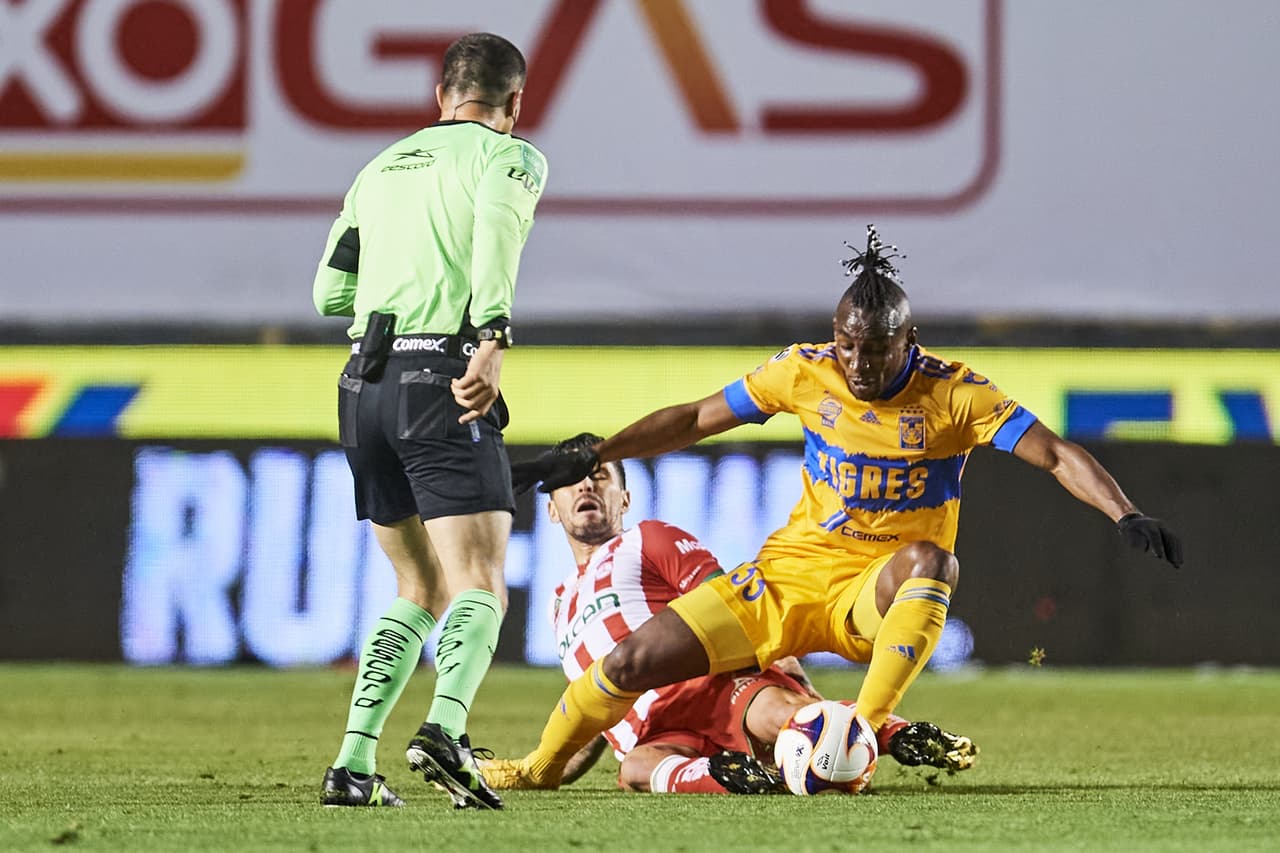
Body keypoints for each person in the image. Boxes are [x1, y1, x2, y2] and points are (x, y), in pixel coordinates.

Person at [488, 226, 1184, 790]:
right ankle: (535, 771)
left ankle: (860, 730)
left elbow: (1055, 453)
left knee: (932, 561)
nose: (858, 362)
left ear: (909, 341)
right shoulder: (803, 370)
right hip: (786, 578)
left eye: (876, 350)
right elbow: (697, 417)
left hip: (872, 590)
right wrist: (600, 450)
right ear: (835, 333)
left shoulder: (957, 395)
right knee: (631, 662)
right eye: (848, 345)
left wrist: (1123, 512)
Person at [311, 32, 547, 810]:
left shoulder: (377, 168)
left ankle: (352, 763)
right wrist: (491, 335)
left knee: (418, 581)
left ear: (439, 95)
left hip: (362, 386)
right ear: (514, 102)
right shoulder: (509, 158)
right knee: (480, 581)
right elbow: (496, 236)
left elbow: (329, 295)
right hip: (441, 378)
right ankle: (445, 729)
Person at [483, 433, 977, 795]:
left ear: (624, 498)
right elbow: (597, 708)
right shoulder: (557, 605)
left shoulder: (648, 539)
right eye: (571, 482)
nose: (586, 486)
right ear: (551, 509)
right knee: (635, 768)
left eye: (600, 476)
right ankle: (726, 775)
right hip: (657, 731)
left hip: (716, 688)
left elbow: (738, 607)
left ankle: (886, 732)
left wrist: (793, 682)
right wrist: (560, 764)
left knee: (780, 716)